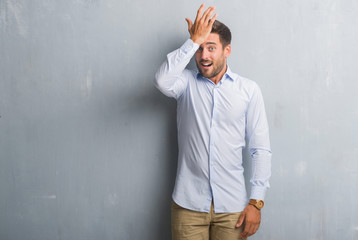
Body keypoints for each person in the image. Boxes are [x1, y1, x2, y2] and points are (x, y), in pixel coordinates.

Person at [154, 4, 272, 240]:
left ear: (227, 51)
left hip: (232, 208)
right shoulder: (185, 83)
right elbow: (162, 81)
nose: (204, 55)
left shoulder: (248, 90)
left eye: (211, 48)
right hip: (188, 206)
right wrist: (193, 41)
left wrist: (256, 203)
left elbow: (260, 149)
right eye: (200, 49)